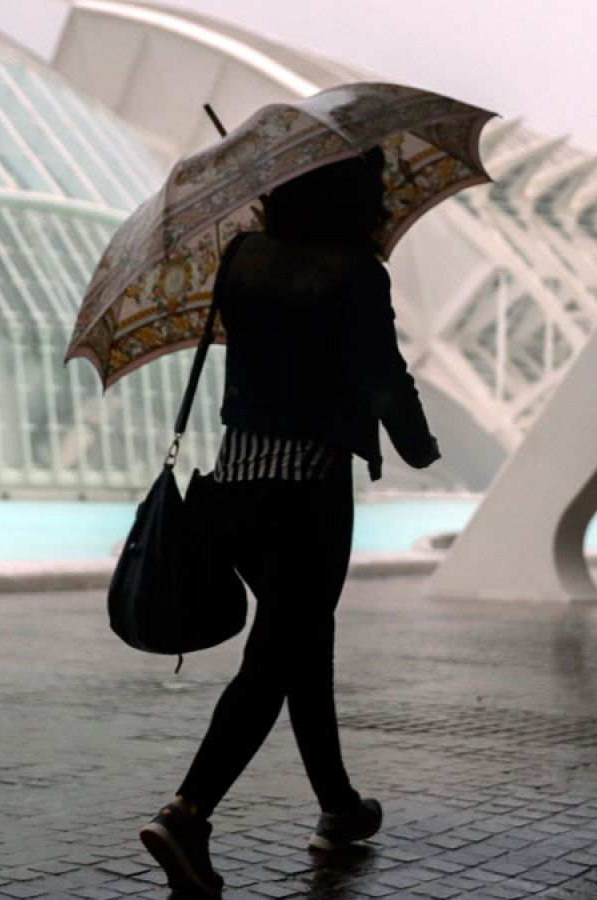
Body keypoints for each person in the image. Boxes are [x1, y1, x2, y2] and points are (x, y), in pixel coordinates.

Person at [138, 149, 440, 898]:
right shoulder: (356, 272)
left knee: (302, 642)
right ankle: (188, 814)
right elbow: (380, 375)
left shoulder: (241, 255)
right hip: (307, 489)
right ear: (352, 199)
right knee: (276, 659)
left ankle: (338, 805)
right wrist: (419, 445)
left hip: (236, 483)